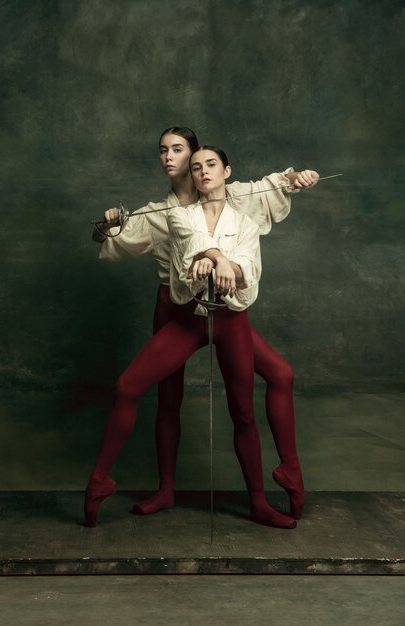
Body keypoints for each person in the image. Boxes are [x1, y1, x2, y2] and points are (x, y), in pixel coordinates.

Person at [94, 126, 319, 520]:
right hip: (177, 305)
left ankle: (280, 481)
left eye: (179, 150)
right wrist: (106, 225)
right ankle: (166, 490)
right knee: (168, 399)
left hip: (227, 307)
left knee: (275, 378)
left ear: (203, 160)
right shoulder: (162, 212)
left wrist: (293, 179)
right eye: (163, 150)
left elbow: (270, 190)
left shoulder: (235, 198)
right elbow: (119, 239)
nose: (169, 157)